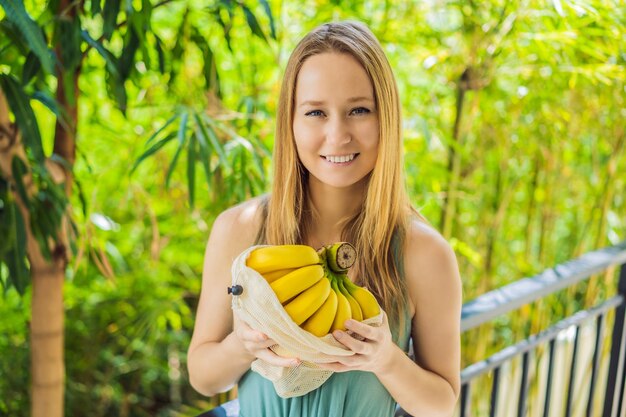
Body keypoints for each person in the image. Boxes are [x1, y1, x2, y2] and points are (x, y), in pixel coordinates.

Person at [187, 20, 462, 417]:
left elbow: (441, 404)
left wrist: (386, 359)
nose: (337, 135)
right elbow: (203, 376)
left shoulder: (424, 252)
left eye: (359, 110)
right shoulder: (241, 228)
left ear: (387, 118)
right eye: (316, 112)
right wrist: (242, 346)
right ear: (291, 123)